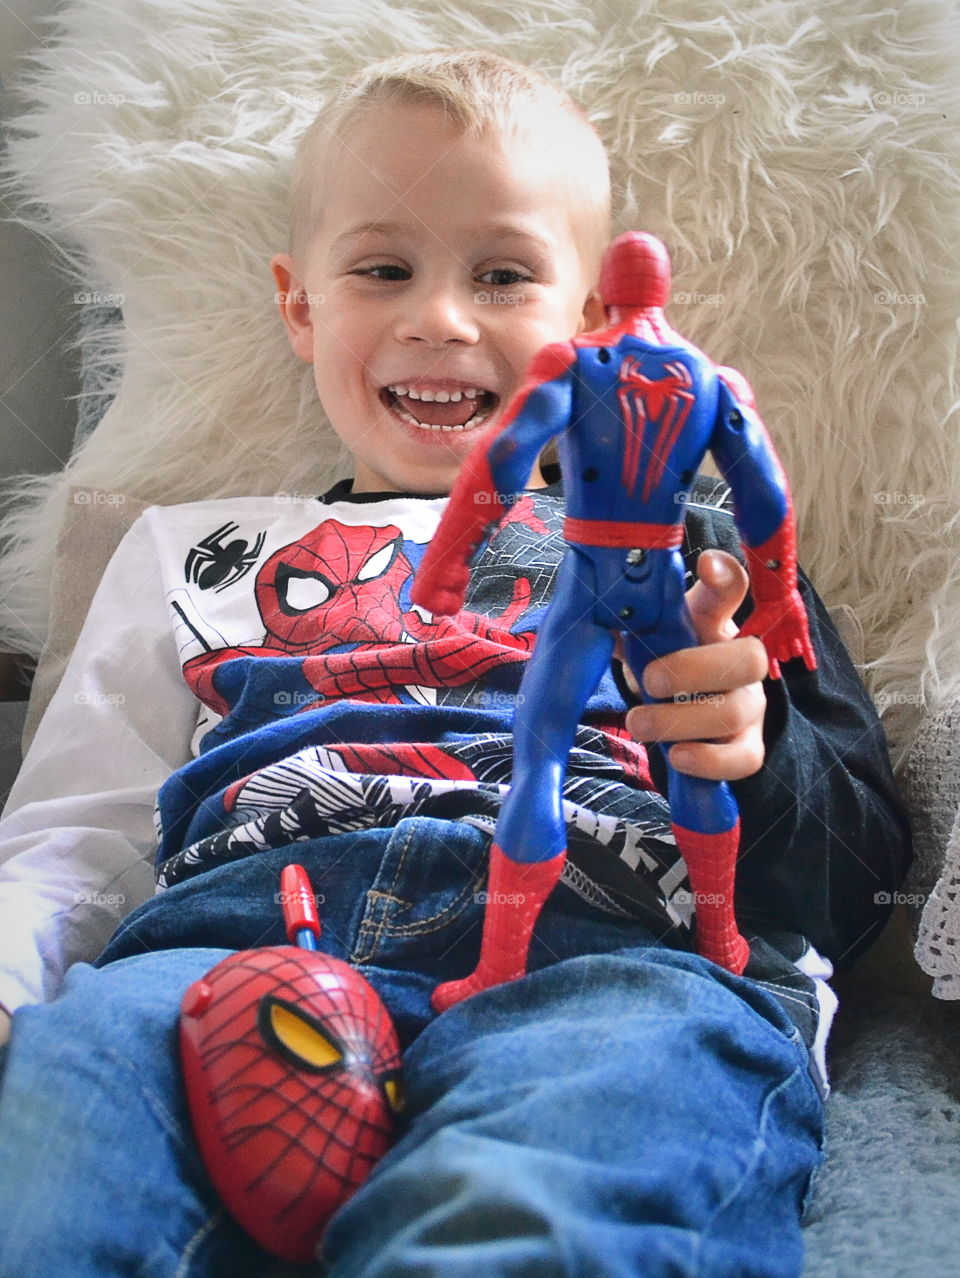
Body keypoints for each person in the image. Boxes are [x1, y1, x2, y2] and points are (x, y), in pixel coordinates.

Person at [0, 48, 910, 1278]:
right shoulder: (187, 546)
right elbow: (75, 833)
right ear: (300, 307)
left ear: (590, 320)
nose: (439, 318)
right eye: (384, 270)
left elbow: (858, 882)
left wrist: (759, 747)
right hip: (227, 941)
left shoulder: (707, 549)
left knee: (543, 1197)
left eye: (503, 275)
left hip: (614, 953)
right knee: (65, 1148)